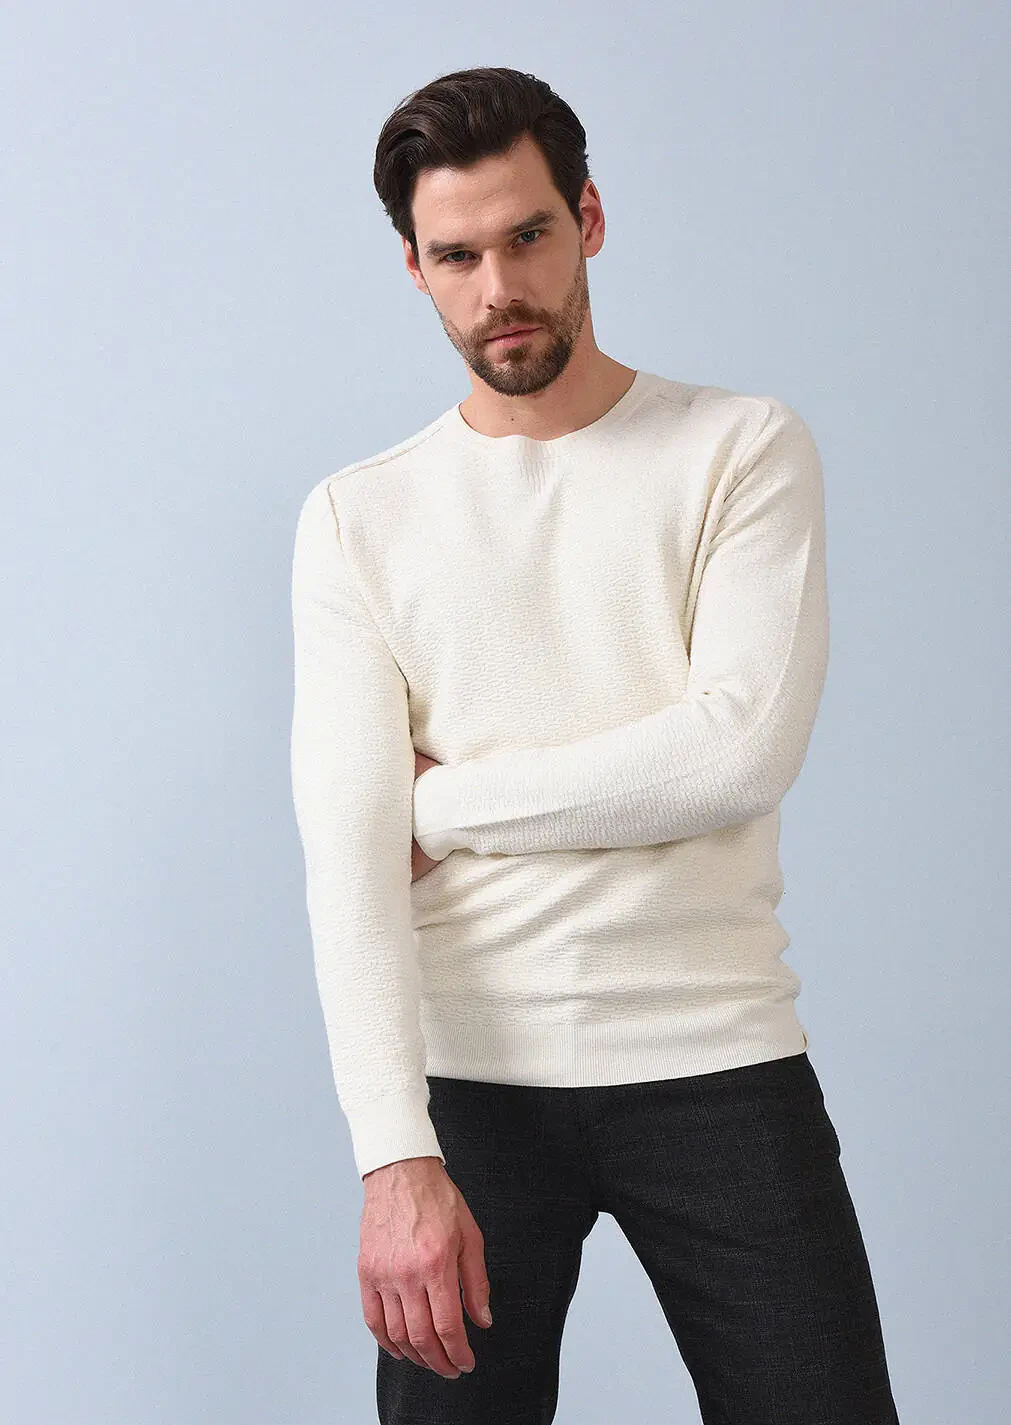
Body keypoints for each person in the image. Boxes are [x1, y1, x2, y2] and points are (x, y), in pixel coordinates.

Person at [289, 64, 901, 1425]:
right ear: (413, 268)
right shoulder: (356, 520)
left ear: (591, 221)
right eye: (457, 256)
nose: (499, 287)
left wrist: (439, 810)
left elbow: (734, 752)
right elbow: (345, 864)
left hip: (715, 1054)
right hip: (469, 1086)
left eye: (529, 236)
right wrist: (393, 1159)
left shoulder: (737, 450)